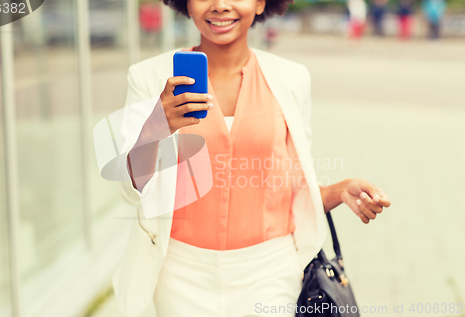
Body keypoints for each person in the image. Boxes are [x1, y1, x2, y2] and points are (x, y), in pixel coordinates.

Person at [111, 0, 391, 315]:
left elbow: (294, 189)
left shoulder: (291, 79)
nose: (220, 5)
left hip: (269, 270)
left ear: (260, 3)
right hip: (179, 273)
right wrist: (155, 127)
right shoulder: (148, 78)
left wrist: (338, 191)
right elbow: (130, 189)